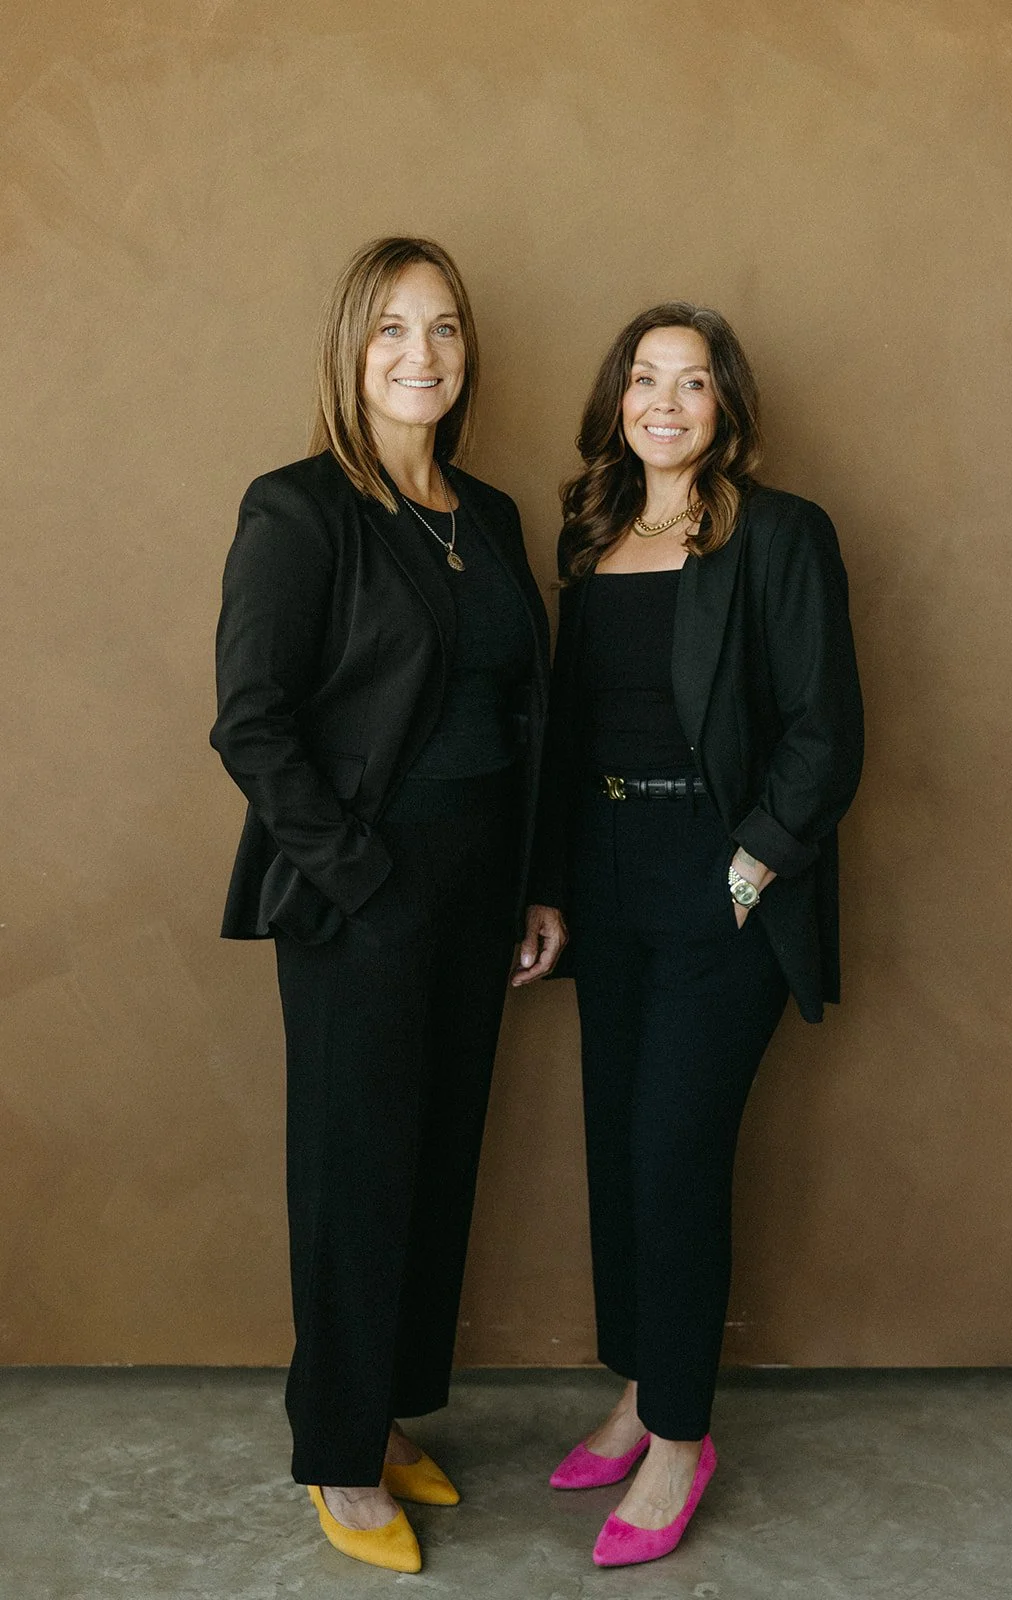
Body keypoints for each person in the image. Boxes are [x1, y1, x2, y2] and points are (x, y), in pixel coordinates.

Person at [210, 236, 565, 1574]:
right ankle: (336, 1453)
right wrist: (362, 878)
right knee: (354, 1174)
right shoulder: (297, 511)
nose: (420, 355)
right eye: (391, 331)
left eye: (444, 329)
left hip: (481, 893)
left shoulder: (490, 516)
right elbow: (252, 725)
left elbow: (523, 714)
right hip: (361, 893)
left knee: (437, 1163)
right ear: (352, 352)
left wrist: (534, 884)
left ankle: (385, 1408)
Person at [525, 302, 863, 1568]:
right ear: (617, 398)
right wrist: (551, 885)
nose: (665, 401)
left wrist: (751, 864)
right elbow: (570, 739)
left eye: (695, 382)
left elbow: (825, 728)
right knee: (618, 1146)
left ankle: (678, 1435)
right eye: (644, 378)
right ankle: (635, 1385)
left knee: (673, 1156)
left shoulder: (778, 534)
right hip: (606, 881)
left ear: (727, 408)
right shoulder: (590, 533)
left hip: (722, 884)